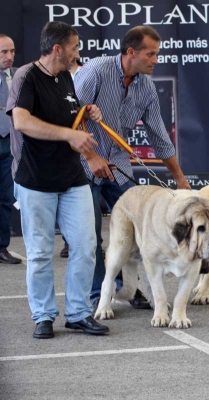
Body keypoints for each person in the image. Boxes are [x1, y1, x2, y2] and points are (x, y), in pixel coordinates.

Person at [74, 25, 192, 308]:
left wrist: (180, 179)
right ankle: (97, 295)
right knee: (89, 236)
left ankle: (128, 287)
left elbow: (159, 136)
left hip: (117, 165)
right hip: (81, 164)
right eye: (151, 54)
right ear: (131, 53)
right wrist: (92, 157)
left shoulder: (146, 86)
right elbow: (70, 116)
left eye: (157, 54)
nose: (156, 60)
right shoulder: (96, 71)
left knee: (143, 228)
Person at [7, 21, 109, 338]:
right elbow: (22, 121)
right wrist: (67, 133)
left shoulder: (65, 76)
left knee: (85, 246)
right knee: (39, 253)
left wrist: (85, 113)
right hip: (35, 180)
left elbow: (71, 118)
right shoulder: (27, 77)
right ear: (57, 49)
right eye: (75, 48)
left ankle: (78, 313)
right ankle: (43, 316)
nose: (78, 53)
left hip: (72, 178)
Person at [59, 58, 85, 260]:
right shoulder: (58, 77)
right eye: (73, 47)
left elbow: (78, 107)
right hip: (66, 151)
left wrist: (88, 109)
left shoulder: (80, 75)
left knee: (86, 243)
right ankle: (68, 242)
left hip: (84, 151)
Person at [0, 34, 21, 265]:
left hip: (11, 143)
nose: (9, 57)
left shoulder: (20, 76)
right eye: (4, 52)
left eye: (12, 51)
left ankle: (1, 247)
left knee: (6, 198)